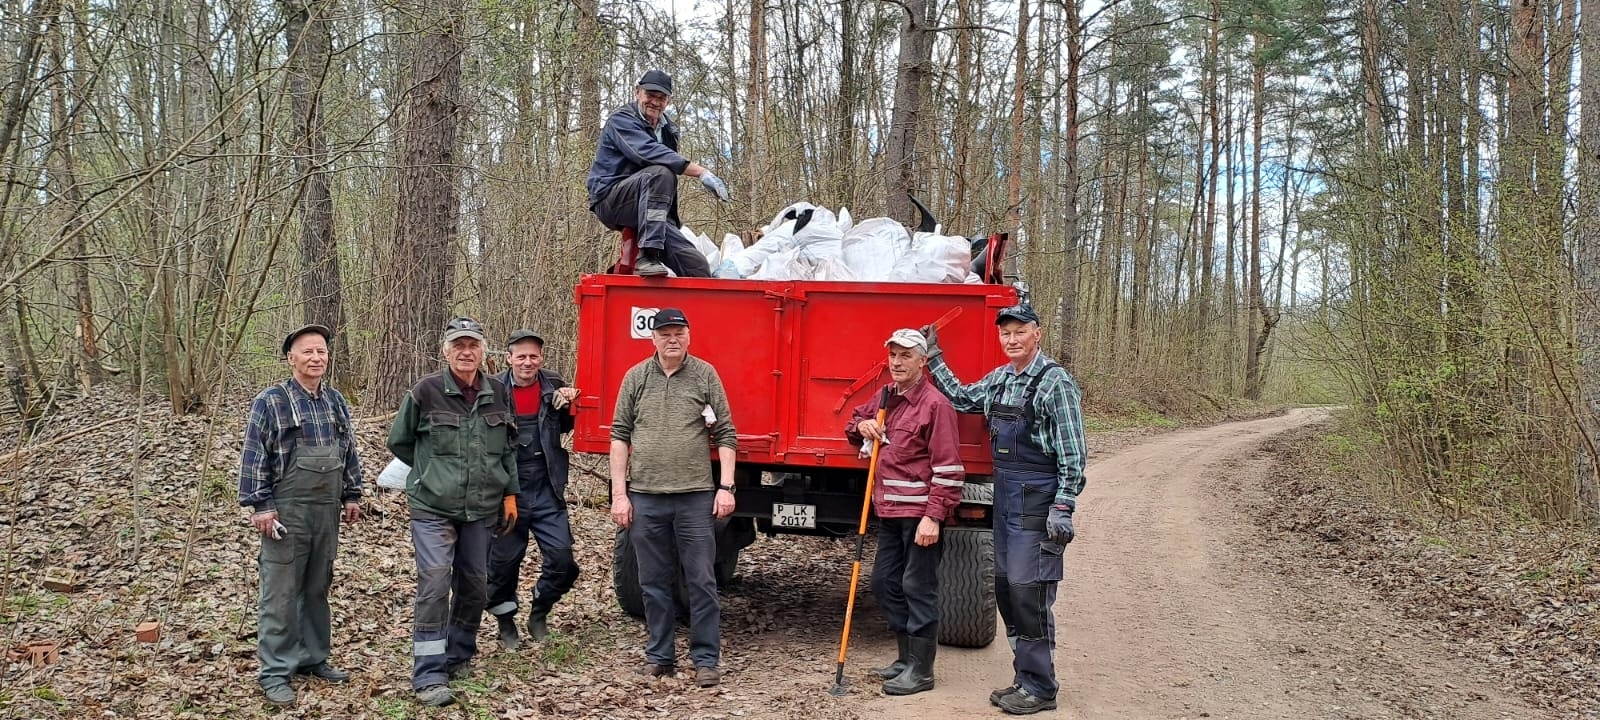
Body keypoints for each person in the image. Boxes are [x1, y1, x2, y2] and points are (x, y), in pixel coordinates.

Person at [921, 305, 1086, 716]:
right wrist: (934, 358)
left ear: (1037, 334)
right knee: (1008, 590)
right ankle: (1024, 677)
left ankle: (1041, 686)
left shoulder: (1054, 384)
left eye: (1020, 332)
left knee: (1030, 593)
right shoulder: (1000, 379)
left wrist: (1063, 507)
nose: (1012, 340)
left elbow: (1074, 455)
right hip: (1005, 496)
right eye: (1006, 334)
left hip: (1038, 500)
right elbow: (960, 397)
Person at [387, 317, 520, 707]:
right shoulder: (425, 391)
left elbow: (509, 446)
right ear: (445, 351)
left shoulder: (497, 391)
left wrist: (509, 492)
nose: (466, 352)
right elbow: (400, 442)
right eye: (458, 346)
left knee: (475, 583)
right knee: (433, 582)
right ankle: (428, 674)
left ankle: (458, 654)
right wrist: (433, 474)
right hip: (432, 507)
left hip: (481, 509)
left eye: (473, 345)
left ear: (483, 351)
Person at [608, 307, 737, 687]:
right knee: (653, 582)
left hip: (695, 498)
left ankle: (706, 659)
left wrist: (726, 486)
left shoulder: (704, 375)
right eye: (664, 333)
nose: (672, 339)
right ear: (653, 338)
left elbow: (726, 433)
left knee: (701, 580)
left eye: (678, 332)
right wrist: (620, 495)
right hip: (645, 498)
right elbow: (619, 436)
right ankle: (660, 655)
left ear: (689, 336)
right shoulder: (636, 378)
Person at [238, 324, 363, 706]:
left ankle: (313, 658)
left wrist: (352, 493)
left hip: (325, 511)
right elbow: (254, 454)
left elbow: (348, 449)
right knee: (280, 592)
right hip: (284, 510)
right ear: (291, 357)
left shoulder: (336, 401)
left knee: (316, 586)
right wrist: (261, 504)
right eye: (307, 352)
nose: (316, 358)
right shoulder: (271, 401)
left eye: (321, 351)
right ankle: (275, 671)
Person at [844, 329, 965, 696]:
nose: (896, 362)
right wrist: (862, 425)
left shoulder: (935, 405)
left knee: (918, 588)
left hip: (919, 515)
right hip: (889, 511)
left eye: (905, 356)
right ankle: (905, 658)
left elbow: (948, 468)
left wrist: (934, 516)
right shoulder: (886, 396)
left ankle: (922, 670)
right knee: (884, 584)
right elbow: (854, 421)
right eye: (893, 355)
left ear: (922, 362)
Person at [485, 329, 582, 649]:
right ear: (509, 357)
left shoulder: (553, 383)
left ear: (542, 358)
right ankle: (506, 622)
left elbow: (570, 425)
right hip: (508, 491)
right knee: (502, 565)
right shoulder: (494, 388)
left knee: (562, 560)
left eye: (534, 356)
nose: (528, 362)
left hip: (546, 487)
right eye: (521, 356)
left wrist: (569, 404)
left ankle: (540, 610)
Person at [586, 69, 731, 278]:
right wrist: (700, 171)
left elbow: (662, 185)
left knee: (696, 265)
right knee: (661, 173)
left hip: (648, 209)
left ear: (668, 101)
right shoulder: (621, 120)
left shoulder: (668, 130)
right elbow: (647, 153)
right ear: (637, 93)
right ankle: (647, 257)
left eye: (661, 97)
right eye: (650, 95)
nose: (655, 102)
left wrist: (669, 222)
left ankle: (691, 308)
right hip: (611, 200)